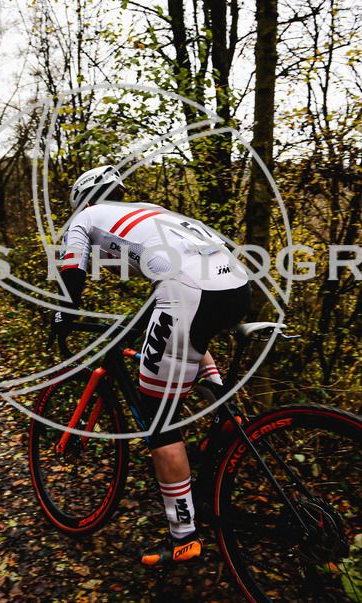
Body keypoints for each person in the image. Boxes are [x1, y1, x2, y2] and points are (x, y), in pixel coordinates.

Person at [50, 165, 251, 567]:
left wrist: (62, 315)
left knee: (159, 420)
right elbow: (161, 269)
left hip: (190, 292)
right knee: (188, 339)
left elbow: (72, 270)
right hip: (237, 284)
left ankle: (184, 537)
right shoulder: (151, 210)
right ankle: (228, 418)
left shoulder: (86, 217)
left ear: (84, 201)